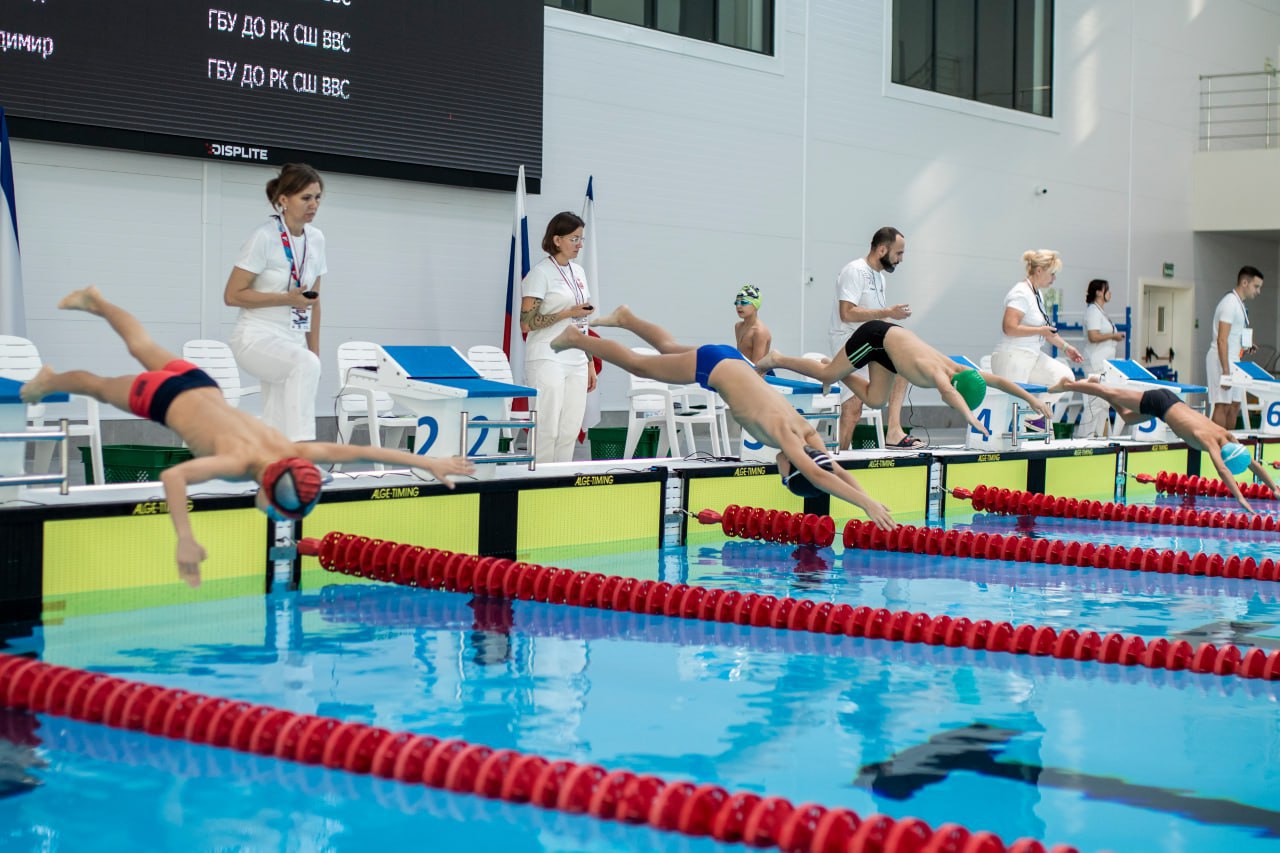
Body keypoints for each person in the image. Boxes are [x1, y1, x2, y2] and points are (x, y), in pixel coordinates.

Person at [21, 288, 475, 587]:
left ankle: (98, 302)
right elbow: (175, 478)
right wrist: (184, 536)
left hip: (203, 386)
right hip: (166, 398)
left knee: (141, 344)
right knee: (97, 385)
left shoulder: (292, 451)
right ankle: (52, 377)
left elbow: (358, 449)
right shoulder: (237, 460)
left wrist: (428, 463)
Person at [551, 306, 895, 530]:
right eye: (785, 477)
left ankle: (627, 318)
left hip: (733, 362)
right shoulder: (787, 437)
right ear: (791, 468)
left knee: (669, 348)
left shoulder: (805, 433)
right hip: (716, 368)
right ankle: (577, 338)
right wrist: (865, 504)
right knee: (638, 364)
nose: (781, 472)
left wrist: (869, 498)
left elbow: (831, 467)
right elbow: (820, 473)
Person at [754, 321, 1052, 439]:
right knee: (827, 374)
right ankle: (778, 358)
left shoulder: (961, 371)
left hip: (889, 350)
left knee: (874, 400)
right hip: (875, 337)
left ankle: (837, 371)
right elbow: (949, 394)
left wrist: (1032, 399)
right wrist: (970, 417)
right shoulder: (940, 374)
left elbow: (999, 381)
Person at [1049, 376, 1278, 513]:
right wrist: (1239, 497)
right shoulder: (1213, 441)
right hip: (1161, 402)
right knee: (1112, 391)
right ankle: (1068, 384)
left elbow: (1253, 463)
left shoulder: (1226, 436)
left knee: (1127, 417)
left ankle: (1099, 389)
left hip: (1168, 407)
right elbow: (1223, 469)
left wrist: (1275, 488)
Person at [224, 164, 326, 442]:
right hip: (255, 337)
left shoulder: (316, 240)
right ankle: (302, 453)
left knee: (280, 407)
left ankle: (273, 469)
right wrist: (285, 298)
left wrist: (314, 350)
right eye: (306, 198)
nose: (313, 205)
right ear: (283, 200)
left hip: (291, 339)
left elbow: (314, 302)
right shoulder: (264, 236)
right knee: (303, 365)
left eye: (317, 197)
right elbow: (232, 295)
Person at [829, 227, 917, 448]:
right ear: (881, 249)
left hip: (870, 342)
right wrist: (887, 313)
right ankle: (840, 458)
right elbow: (847, 313)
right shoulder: (854, 271)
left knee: (902, 362)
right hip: (849, 342)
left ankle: (894, 432)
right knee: (853, 408)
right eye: (898, 253)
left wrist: (892, 328)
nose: (901, 259)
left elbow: (876, 316)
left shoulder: (879, 277)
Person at [521, 212, 597, 464]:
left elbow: (581, 321)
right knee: (548, 427)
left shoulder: (579, 272)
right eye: (574, 239)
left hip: (575, 358)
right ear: (557, 240)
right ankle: (539, 482)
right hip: (547, 355)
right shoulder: (540, 273)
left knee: (569, 429)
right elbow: (526, 321)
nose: (580, 244)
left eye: (581, 239)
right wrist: (567, 312)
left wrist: (588, 362)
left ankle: (560, 482)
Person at [991, 249, 1083, 426]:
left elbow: (1045, 331)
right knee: (1012, 408)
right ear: (1039, 270)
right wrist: (1040, 330)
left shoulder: (1037, 294)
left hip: (1031, 356)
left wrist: (1066, 347)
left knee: (1064, 377)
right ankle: (1012, 436)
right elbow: (1009, 327)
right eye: (1052, 274)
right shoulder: (1020, 292)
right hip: (1012, 356)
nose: (1054, 279)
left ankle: (1033, 418)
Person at [1206, 266, 1264, 429]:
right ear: (1245, 282)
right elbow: (1221, 340)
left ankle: (1229, 446)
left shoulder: (1239, 305)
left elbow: (1231, 338)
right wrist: (1225, 371)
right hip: (1220, 359)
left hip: (1233, 361)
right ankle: (1218, 446)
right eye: (1256, 286)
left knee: (1234, 406)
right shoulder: (1229, 303)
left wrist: (1245, 346)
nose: (1258, 291)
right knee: (1222, 405)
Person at [1078, 279, 1125, 437]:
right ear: (1099, 292)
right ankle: (1084, 438)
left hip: (1104, 364)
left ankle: (1098, 437)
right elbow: (1093, 336)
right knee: (1094, 403)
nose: (1110, 293)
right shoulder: (1092, 311)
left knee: (1103, 403)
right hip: (1094, 363)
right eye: (1107, 289)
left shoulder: (1100, 311)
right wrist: (1114, 336)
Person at [733, 285, 771, 363]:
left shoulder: (759, 332)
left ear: (755, 305)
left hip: (758, 373)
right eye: (737, 302)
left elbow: (757, 367)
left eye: (743, 302)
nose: (738, 306)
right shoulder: (738, 327)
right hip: (744, 370)